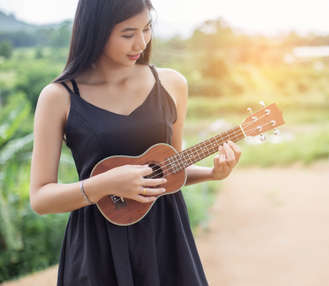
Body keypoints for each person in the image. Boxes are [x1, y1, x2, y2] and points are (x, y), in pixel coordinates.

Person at [29, 0, 242, 285]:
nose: (140, 43)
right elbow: (41, 198)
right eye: (128, 34)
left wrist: (213, 173)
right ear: (95, 31)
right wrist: (107, 183)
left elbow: (167, 171)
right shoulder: (59, 96)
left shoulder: (171, 84)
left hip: (166, 239)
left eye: (147, 28)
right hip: (98, 248)